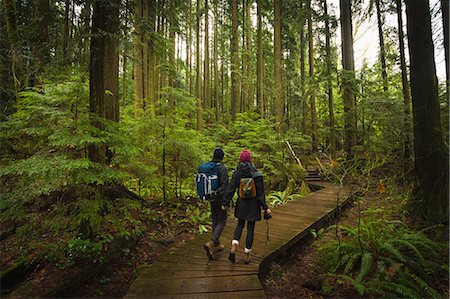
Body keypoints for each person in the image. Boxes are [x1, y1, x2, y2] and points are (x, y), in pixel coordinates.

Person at [222, 149, 271, 264]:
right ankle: (247, 254)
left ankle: (234, 246)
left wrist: (225, 202)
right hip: (253, 205)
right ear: (250, 159)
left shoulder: (237, 173)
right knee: (250, 228)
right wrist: (265, 207)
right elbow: (260, 194)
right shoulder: (257, 174)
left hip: (241, 203)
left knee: (240, 224)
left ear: (240, 160)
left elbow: (231, 189)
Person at [203, 148, 229, 260]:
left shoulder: (209, 168)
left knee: (215, 219)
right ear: (222, 157)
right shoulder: (222, 169)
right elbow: (224, 187)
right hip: (219, 198)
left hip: (211, 197)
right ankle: (212, 243)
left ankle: (216, 244)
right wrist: (225, 201)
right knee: (222, 220)